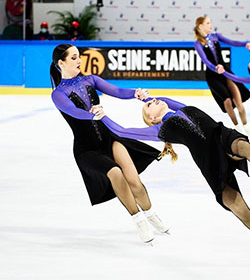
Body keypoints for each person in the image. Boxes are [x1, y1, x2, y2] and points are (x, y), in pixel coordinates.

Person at [99, 96, 250, 270]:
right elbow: (124, 132)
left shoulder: (182, 108)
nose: (154, 100)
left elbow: (167, 102)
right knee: (238, 204)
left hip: (215, 145)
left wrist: (146, 98)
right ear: (152, 119)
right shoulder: (160, 130)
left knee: (241, 147)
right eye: (149, 106)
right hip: (212, 156)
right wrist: (103, 117)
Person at [50, 44, 169, 244]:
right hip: (87, 149)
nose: (79, 60)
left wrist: (135, 93)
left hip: (109, 138)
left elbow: (117, 90)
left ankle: (150, 213)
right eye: (73, 58)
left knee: (133, 179)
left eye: (79, 56)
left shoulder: (90, 79)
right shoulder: (58, 94)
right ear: (61, 63)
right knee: (115, 173)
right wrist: (91, 114)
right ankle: (138, 219)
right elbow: (74, 112)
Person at [194, 16, 250, 137]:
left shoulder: (216, 36)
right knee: (226, 100)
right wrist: (215, 68)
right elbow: (205, 60)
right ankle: (237, 127)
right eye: (208, 23)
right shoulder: (198, 43)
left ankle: (246, 126)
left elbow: (232, 42)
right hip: (213, 75)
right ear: (201, 26)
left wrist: (245, 44)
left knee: (238, 102)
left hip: (225, 72)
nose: (211, 25)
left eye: (210, 23)